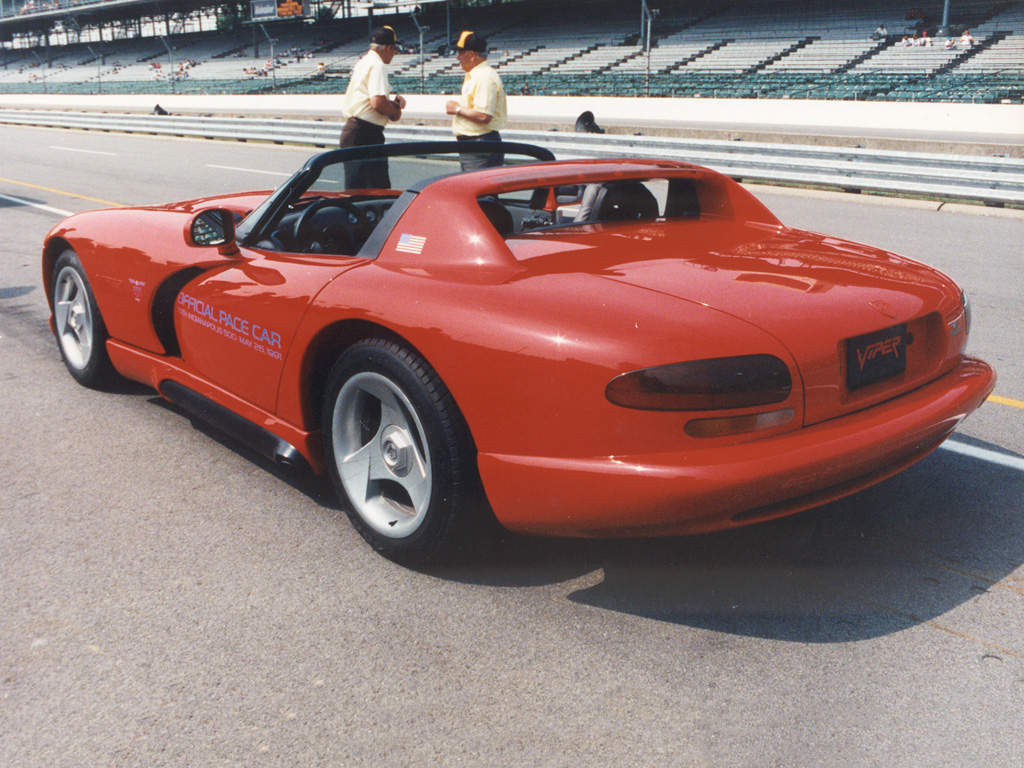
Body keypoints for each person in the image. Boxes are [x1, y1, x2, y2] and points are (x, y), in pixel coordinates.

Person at [340, 26, 407, 188]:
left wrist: (391, 104)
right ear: (389, 48)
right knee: (375, 191)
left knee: (358, 190)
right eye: (394, 49)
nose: (394, 53)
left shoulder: (364, 62)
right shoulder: (378, 65)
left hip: (357, 132)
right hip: (365, 134)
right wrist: (395, 111)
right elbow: (377, 102)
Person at [445, 31, 507, 172]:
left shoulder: (484, 77)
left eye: (460, 53)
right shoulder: (476, 75)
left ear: (472, 55)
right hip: (475, 145)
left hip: (479, 146)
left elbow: (483, 115)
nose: (457, 57)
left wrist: (458, 109)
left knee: (480, 192)